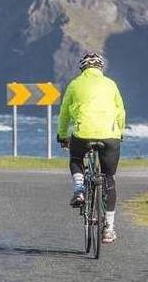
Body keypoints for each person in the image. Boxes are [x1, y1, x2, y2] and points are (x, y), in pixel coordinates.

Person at [57, 52, 126, 244]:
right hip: (110, 136)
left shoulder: (74, 84)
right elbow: (120, 112)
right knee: (109, 178)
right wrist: (119, 132)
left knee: (76, 158)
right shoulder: (111, 84)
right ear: (101, 68)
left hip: (83, 134)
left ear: (83, 68)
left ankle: (79, 189)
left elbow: (64, 113)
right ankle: (109, 229)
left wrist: (62, 135)